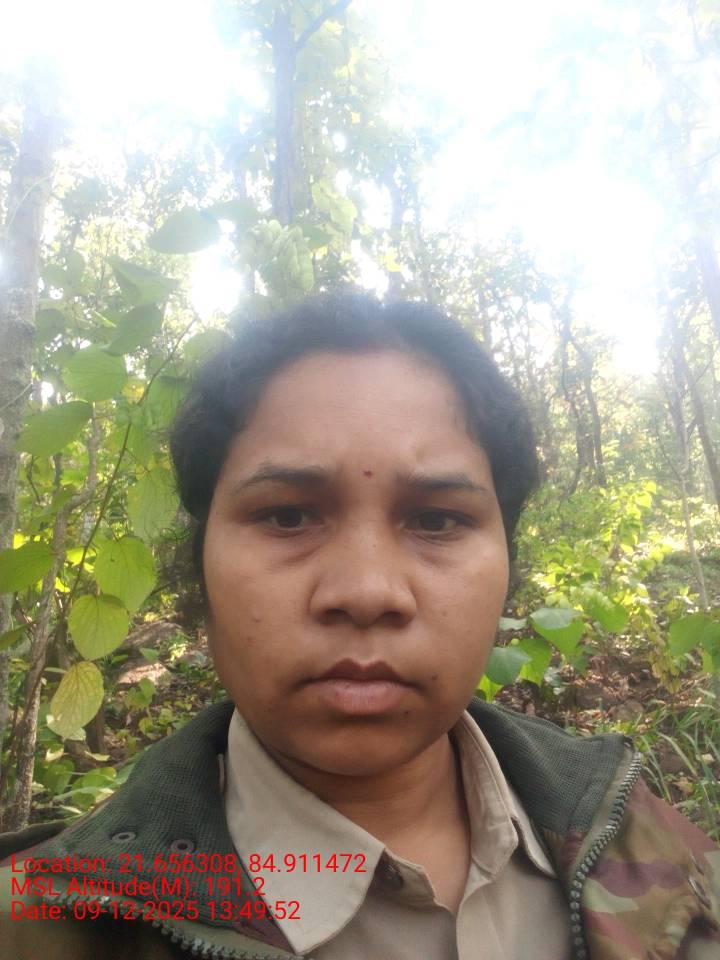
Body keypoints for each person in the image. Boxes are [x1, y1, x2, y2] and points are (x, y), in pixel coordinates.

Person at [1, 292, 718, 960]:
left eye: (437, 520)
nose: (368, 592)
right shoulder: (42, 922)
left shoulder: (646, 841)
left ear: (507, 562)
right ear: (200, 567)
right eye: (287, 515)